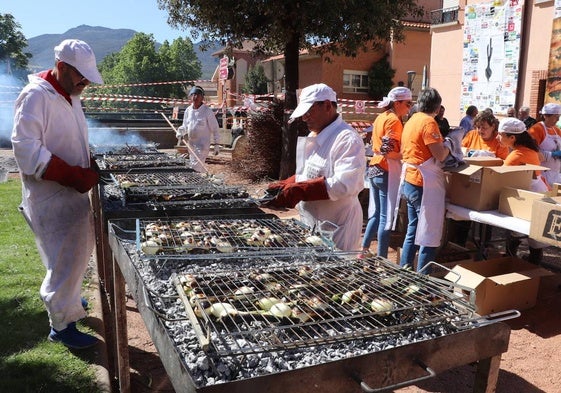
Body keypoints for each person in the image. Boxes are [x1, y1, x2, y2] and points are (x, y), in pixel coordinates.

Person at [11, 39, 103, 350]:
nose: (86, 82)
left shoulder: (70, 95)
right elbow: (26, 150)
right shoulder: (35, 96)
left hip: (71, 193)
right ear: (61, 67)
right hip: (50, 194)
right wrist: (72, 174)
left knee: (76, 253)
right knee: (64, 259)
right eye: (81, 75)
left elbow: (73, 136)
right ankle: (61, 325)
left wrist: (87, 160)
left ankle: (71, 302)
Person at [266, 83, 366, 251]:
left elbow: (344, 185)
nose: (304, 118)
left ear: (327, 106)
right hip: (312, 223)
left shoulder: (347, 139)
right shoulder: (315, 135)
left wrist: (300, 190)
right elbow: (308, 174)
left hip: (337, 226)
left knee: (336, 274)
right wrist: (288, 183)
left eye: (308, 112)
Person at [399, 88, 453, 273]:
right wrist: (449, 145)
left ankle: (404, 270)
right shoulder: (428, 122)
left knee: (413, 229)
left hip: (410, 180)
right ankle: (423, 278)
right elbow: (440, 154)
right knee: (429, 232)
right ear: (437, 108)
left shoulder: (412, 120)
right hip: (423, 184)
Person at [361, 87, 412, 258]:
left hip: (375, 168)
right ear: (397, 103)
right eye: (408, 103)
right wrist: (405, 155)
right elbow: (388, 151)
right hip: (385, 169)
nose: (409, 107)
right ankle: (381, 258)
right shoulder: (393, 121)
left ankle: (364, 249)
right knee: (386, 216)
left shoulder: (381, 117)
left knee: (376, 213)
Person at [176, 85, 220, 172]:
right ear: (190, 96)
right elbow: (185, 125)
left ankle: (196, 182)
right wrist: (180, 133)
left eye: (198, 95)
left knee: (195, 167)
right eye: (193, 94)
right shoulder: (188, 111)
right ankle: (203, 182)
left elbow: (215, 129)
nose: (195, 97)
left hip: (202, 146)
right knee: (198, 167)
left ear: (202, 97)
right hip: (191, 145)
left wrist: (217, 144)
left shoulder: (207, 111)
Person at [528, 103, 561, 187]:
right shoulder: (536, 129)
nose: (558, 119)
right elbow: (531, 152)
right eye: (555, 116)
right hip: (541, 173)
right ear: (546, 116)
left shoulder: (557, 130)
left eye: (559, 116)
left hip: (556, 172)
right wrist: (552, 154)